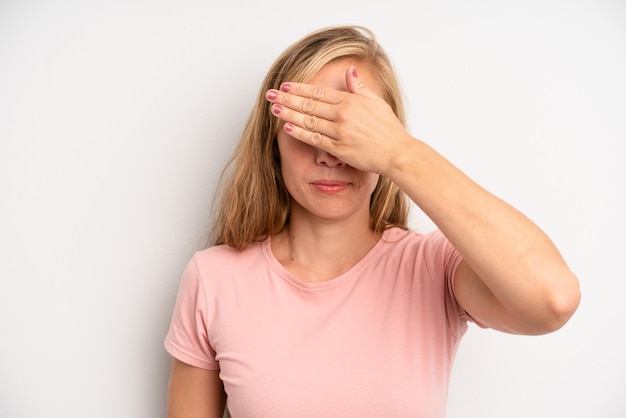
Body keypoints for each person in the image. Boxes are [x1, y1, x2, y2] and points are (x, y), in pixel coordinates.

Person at [164, 25, 581, 418]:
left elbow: (553, 299)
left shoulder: (432, 267)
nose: (330, 155)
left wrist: (400, 153)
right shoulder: (214, 278)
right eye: (311, 127)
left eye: (353, 129)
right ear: (273, 141)